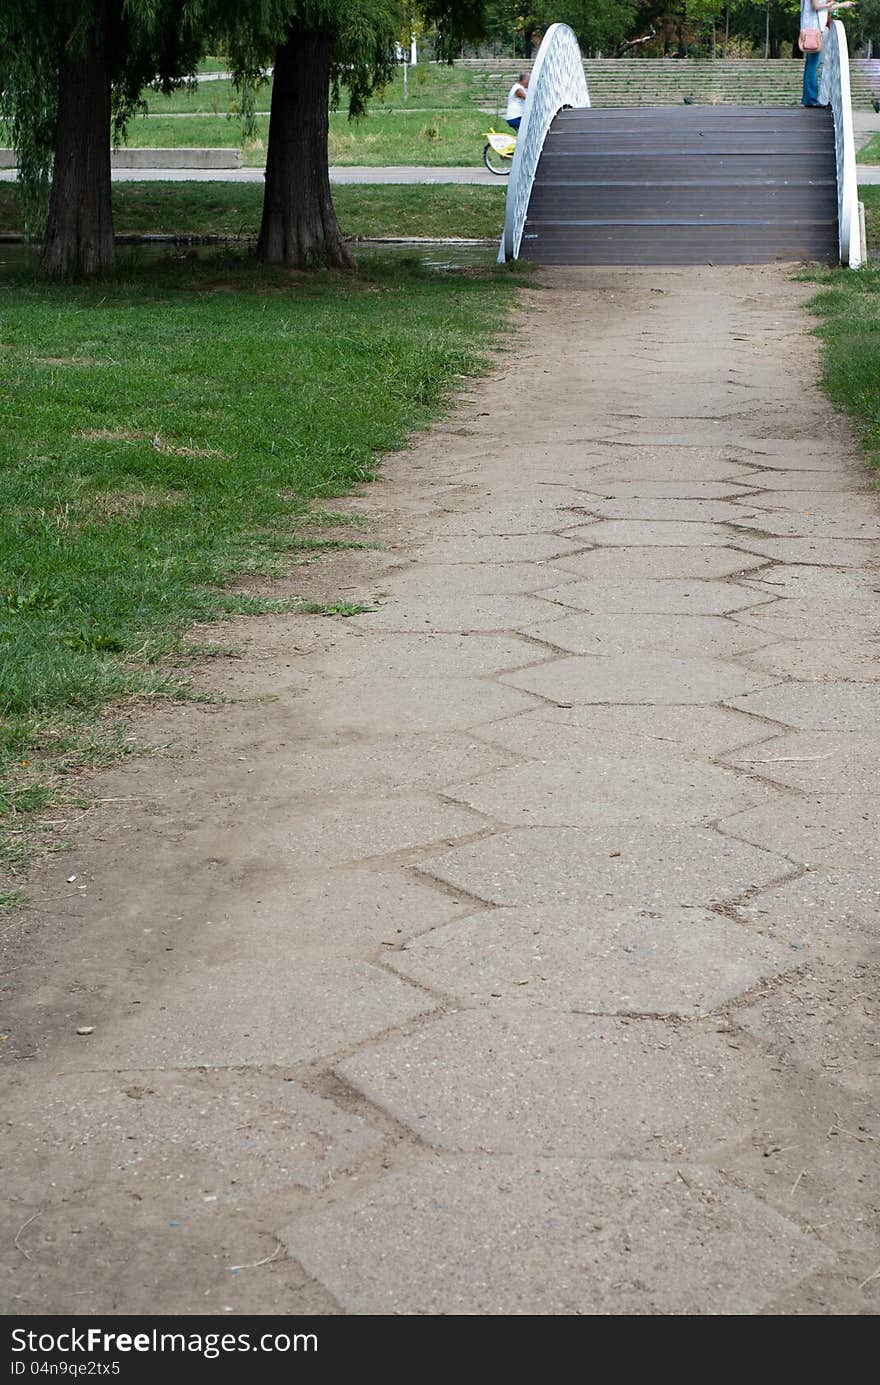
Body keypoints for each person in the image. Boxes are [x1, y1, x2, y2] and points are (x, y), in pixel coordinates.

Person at [800, 0, 856, 107]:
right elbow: (816, 6)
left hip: (812, 28)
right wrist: (831, 3)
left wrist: (842, 5)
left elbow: (825, 9)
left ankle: (808, 98)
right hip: (814, 29)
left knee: (811, 64)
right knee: (813, 64)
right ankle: (811, 99)